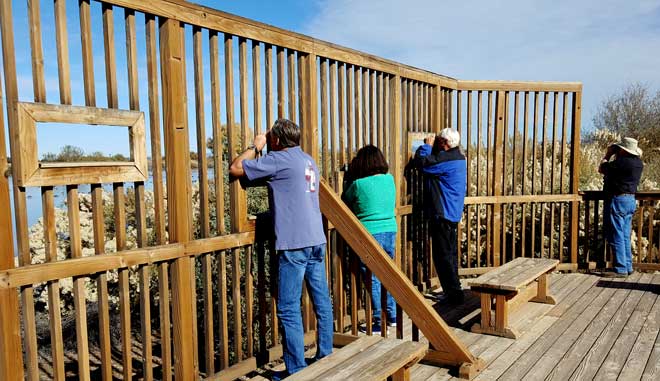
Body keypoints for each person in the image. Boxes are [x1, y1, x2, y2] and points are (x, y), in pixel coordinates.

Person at [228, 119, 333, 377]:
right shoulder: (308, 160)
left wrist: (256, 145)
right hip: (316, 239)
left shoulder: (278, 160)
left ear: (275, 140)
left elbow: (235, 168)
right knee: (322, 301)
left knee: (287, 308)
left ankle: (296, 369)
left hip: (294, 243)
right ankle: (326, 356)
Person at [342, 145, 397, 334]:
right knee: (388, 274)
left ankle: (377, 321)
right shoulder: (390, 180)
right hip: (390, 230)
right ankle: (392, 316)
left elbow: (344, 201)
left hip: (370, 233)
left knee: (372, 278)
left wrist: (347, 177)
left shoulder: (358, 184)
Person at [414, 128, 466, 305]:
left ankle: (454, 295)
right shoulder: (458, 157)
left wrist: (426, 147)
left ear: (444, 143)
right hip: (452, 212)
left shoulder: (447, 159)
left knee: (443, 255)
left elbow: (423, 164)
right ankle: (454, 290)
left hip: (443, 213)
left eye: (438, 141)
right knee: (450, 254)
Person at [598, 137, 644, 278]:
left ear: (623, 150)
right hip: (630, 200)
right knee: (624, 235)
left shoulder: (621, 163)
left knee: (616, 233)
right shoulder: (638, 163)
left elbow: (601, 168)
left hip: (618, 200)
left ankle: (620, 268)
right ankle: (628, 266)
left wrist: (608, 154)